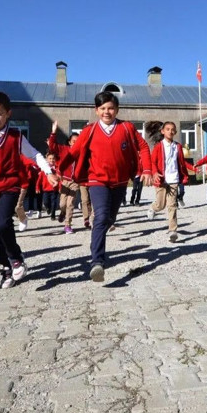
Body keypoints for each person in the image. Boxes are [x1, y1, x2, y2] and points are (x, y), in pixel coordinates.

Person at [0, 91, 57, 289]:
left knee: (2, 224)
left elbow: (36, 155)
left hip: (9, 186)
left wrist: (48, 172)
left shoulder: (16, 136)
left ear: (8, 114)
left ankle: (15, 258)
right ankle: (7, 267)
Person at [60, 91, 152, 282]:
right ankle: (97, 262)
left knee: (109, 218)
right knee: (101, 217)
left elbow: (143, 147)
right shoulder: (89, 131)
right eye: (102, 108)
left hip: (119, 182)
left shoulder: (126, 128)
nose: (107, 112)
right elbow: (73, 153)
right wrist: (58, 170)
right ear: (96, 111)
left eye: (110, 108)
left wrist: (147, 170)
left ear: (117, 109)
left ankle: (99, 229)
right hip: (97, 180)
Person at [145, 121, 189, 243]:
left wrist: (189, 171)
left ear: (175, 132)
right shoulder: (158, 146)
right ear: (163, 131)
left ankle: (172, 230)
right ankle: (153, 209)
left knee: (172, 206)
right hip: (161, 180)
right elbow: (152, 162)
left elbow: (181, 163)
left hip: (173, 179)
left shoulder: (178, 146)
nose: (170, 131)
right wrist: (154, 173)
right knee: (160, 204)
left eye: (172, 129)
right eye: (168, 129)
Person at [47, 121, 79, 233]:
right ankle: (62, 212)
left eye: (78, 142)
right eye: (74, 141)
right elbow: (52, 146)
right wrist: (53, 132)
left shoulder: (82, 153)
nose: (76, 143)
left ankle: (67, 225)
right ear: (70, 142)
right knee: (62, 204)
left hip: (75, 182)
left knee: (70, 204)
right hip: (64, 181)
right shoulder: (64, 150)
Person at [15, 156, 37, 232]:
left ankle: (23, 219)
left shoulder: (21, 156)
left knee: (18, 205)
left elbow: (34, 163)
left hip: (22, 185)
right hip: (9, 185)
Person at [39, 152, 61, 220]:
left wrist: (60, 187)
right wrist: (37, 187)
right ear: (47, 159)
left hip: (54, 189)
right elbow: (39, 179)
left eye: (53, 158)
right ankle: (48, 208)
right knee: (46, 202)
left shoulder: (57, 169)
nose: (52, 160)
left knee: (54, 202)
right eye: (50, 158)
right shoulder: (44, 169)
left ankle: (53, 215)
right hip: (46, 189)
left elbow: (60, 179)